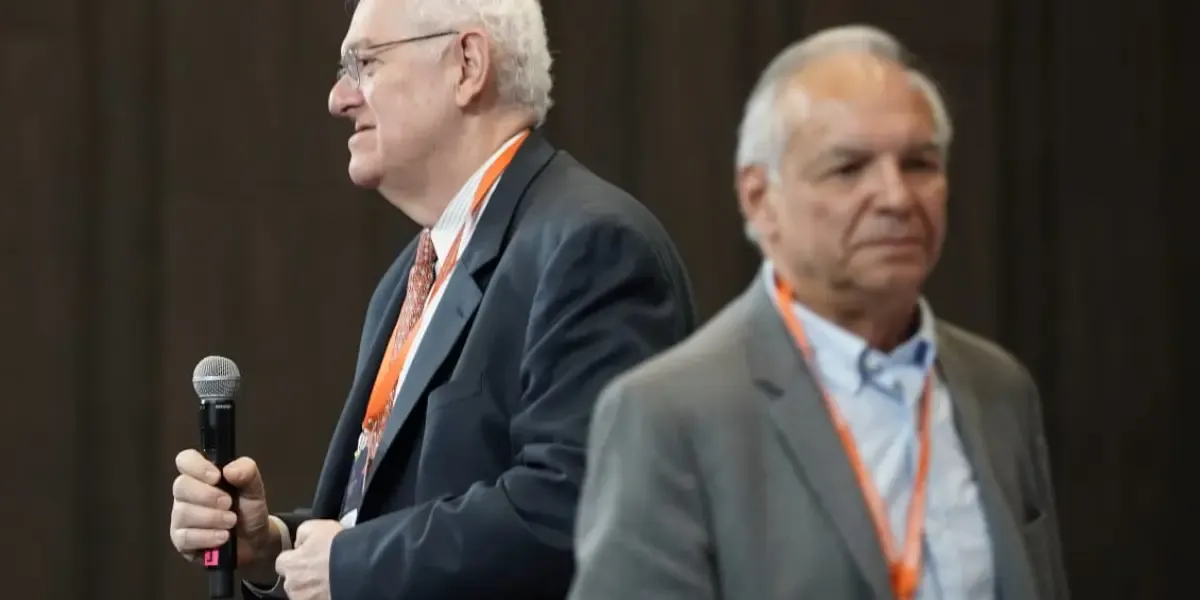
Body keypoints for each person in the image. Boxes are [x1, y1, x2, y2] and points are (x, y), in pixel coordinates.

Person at [166, 0, 696, 598]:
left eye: (365, 63)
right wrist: (274, 550)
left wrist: (353, 566)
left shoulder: (593, 246)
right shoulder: (412, 274)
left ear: (467, 65)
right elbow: (400, 513)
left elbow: (573, 506)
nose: (339, 99)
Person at [567, 24, 1070, 600]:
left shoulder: (999, 389)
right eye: (849, 168)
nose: (896, 197)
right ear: (760, 199)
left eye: (919, 163)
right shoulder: (670, 414)